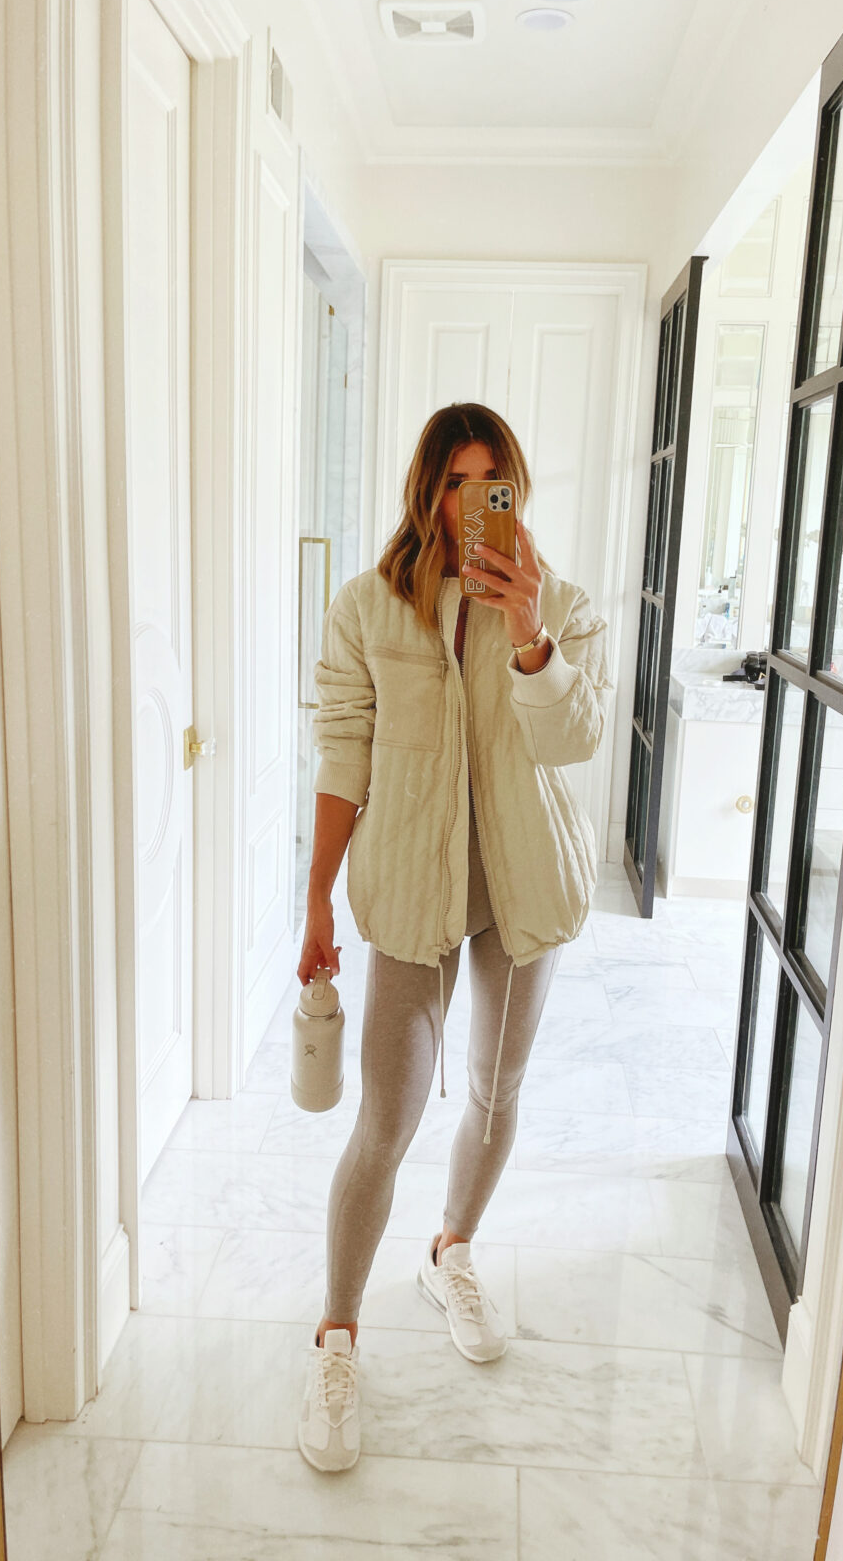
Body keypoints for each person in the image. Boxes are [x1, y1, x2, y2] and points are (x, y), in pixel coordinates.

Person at [295, 402, 613, 1472]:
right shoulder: (366, 606)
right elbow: (343, 751)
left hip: (521, 880)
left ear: (514, 490)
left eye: (492, 483)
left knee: (493, 1089)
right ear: (425, 491)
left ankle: (451, 1250)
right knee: (384, 1120)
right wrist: (316, 900)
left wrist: (530, 636)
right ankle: (337, 1335)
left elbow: (575, 739)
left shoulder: (560, 605)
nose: (471, 502)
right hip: (408, 883)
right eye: (453, 482)